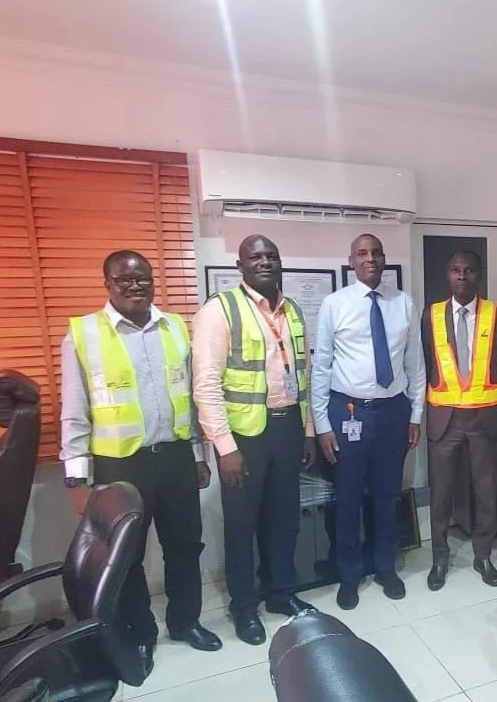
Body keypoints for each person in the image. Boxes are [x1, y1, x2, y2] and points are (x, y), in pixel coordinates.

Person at [60, 250, 220, 674]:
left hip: (174, 457)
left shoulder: (174, 329)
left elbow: (189, 401)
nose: (135, 286)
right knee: (128, 558)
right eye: (124, 280)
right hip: (119, 466)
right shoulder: (82, 335)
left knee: (185, 546)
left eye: (143, 279)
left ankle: (186, 622)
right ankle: (141, 634)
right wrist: (77, 481)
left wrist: (200, 456)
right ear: (107, 284)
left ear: (153, 282)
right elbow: (74, 412)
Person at [193, 234, 316, 646]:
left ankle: (281, 594)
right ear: (240, 266)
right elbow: (206, 385)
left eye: (271, 256)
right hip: (243, 436)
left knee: (284, 521)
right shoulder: (219, 310)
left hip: (287, 428)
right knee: (242, 526)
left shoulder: (293, 310)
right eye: (255, 257)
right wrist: (225, 448)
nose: (264, 262)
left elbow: (304, 376)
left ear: (280, 263)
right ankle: (244, 607)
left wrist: (308, 432)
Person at [312, 233, 426, 610]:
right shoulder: (334, 304)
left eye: (376, 252)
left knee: (387, 494)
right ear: (351, 262)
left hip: (393, 411)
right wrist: (322, 425)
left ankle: (385, 567)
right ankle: (349, 574)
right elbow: (322, 366)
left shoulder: (403, 303)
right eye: (362, 254)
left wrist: (415, 414)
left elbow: (415, 365)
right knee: (346, 498)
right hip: (347, 413)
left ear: (383, 259)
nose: (370, 259)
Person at [421, 251, 497, 591]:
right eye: (456, 270)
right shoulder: (430, 316)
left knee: (486, 492)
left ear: (479, 276)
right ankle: (440, 558)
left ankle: (483, 555)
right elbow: (428, 363)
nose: (463, 276)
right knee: (440, 493)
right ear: (448, 275)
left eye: (469, 270)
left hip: (483, 418)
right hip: (444, 420)